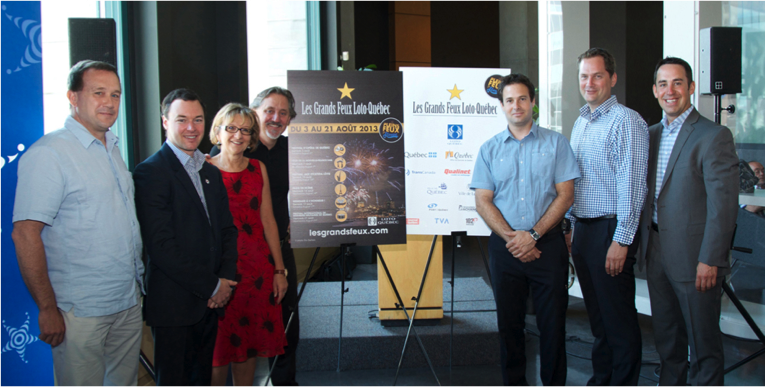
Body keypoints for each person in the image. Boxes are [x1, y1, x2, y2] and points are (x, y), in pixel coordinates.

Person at [11, 60, 144, 386]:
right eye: (99, 93)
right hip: (80, 310)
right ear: (73, 96)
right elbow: (25, 233)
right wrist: (47, 308)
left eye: (115, 94)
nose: (110, 103)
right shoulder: (50, 153)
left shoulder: (112, 147)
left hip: (127, 300)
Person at [471, 74, 580, 387]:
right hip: (505, 249)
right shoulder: (489, 149)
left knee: (553, 326)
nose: (515, 106)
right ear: (501, 105)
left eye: (522, 99)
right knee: (509, 327)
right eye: (509, 100)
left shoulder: (556, 143)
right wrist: (514, 238)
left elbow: (566, 195)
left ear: (533, 102)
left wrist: (532, 235)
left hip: (548, 246)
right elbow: (482, 201)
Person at [639, 57, 739, 387]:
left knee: (704, 346)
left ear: (691, 87)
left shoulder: (713, 135)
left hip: (696, 258)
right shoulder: (649, 135)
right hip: (656, 253)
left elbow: (723, 207)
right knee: (667, 343)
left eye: (678, 83)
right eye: (663, 84)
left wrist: (710, 259)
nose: (671, 91)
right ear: (655, 90)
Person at [133, 89, 238, 386]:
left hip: (211, 303)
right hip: (174, 305)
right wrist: (212, 285)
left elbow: (227, 231)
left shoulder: (210, 171)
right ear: (165, 122)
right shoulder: (150, 172)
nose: (191, 128)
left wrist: (225, 280)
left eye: (198, 119)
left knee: (200, 380)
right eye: (182, 120)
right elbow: (161, 246)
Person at [567, 47, 649, 387]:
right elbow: (574, 179)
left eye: (597, 75)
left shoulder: (627, 121)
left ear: (612, 79)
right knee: (598, 320)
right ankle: (601, 381)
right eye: (584, 76)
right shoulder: (581, 120)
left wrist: (621, 240)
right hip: (584, 231)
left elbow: (633, 184)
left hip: (610, 231)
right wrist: (570, 226)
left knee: (618, 320)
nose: (590, 82)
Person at [211, 86, 300, 387]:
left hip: (270, 253)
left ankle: (284, 383)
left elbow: (274, 214)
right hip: (228, 259)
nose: (276, 118)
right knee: (224, 340)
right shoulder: (217, 160)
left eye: (283, 112)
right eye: (269, 111)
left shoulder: (291, 151)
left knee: (284, 322)